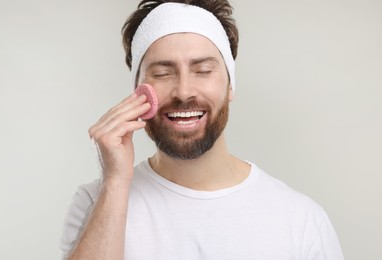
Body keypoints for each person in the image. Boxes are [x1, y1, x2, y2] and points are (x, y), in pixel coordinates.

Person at [60, 0, 345, 259]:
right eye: (162, 73)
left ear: (230, 85)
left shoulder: (301, 220)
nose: (184, 92)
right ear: (138, 92)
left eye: (203, 70)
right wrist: (116, 182)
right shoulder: (96, 203)